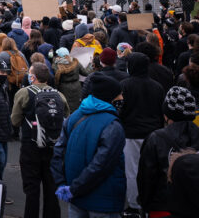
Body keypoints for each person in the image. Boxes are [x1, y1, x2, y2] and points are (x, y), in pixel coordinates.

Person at [51, 73, 126, 218]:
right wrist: (75, 188)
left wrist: (62, 184)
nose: (122, 98)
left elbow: (58, 152)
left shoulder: (75, 116)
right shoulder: (112, 125)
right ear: (109, 97)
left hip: (75, 199)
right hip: (104, 202)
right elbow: (101, 164)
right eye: (119, 95)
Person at [12, 63, 69, 218]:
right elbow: (66, 117)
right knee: (51, 188)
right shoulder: (59, 95)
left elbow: (15, 121)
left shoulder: (24, 93)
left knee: (32, 189)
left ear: (33, 77)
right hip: (53, 146)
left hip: (30, 146)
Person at [137, 86, 199, 217]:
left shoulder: (156, 138)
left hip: (161, 207)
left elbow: (146, 178)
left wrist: (144, 204)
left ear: (166, 113)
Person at [118, 51, 166, 216]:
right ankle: (148, 202)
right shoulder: (157, 86)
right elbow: (161, 112)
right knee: (151, 170)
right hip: (153, 134)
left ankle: (133, 204)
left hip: (131, 134)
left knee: (132, 171)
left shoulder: (124, 85)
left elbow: (121, 110)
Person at [53, 47, 88, 112]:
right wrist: (90, 65)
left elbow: (55, 76)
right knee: (77, 107)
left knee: (67, 108)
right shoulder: (75, 62)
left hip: (64, 88)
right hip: (77, 87)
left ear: (59, 56)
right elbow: (85, 73)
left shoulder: (57, 64)